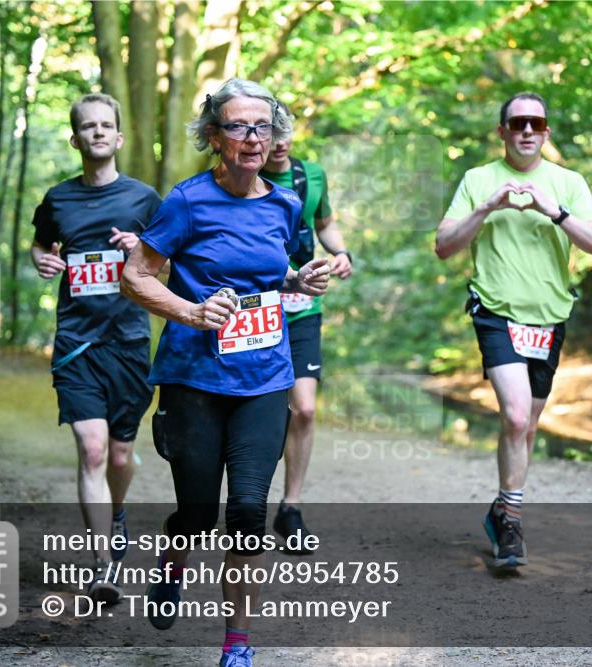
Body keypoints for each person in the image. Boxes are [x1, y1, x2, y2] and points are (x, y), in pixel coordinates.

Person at [121, 78, 329, 667]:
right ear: (215, 137)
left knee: (245, 512)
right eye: (238, 126)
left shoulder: (286, 203)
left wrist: (298, 281)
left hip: (264, 377)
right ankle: (173, 562)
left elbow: (275, 273)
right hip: (193, 380)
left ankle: (237, 642)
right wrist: (191, 310)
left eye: (262, 126)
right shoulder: (186, 201)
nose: (252, 137)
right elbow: (135, 275)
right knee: (196, 514)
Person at [435, 92, 592, 569]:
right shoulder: (478, 180)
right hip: (495, 310)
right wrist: (485, 208)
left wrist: (554, 211)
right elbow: (444, 247)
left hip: (549, 317)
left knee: (527, 426)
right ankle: (511, 521)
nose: (526, 131)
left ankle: (500, 510)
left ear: (546, 131)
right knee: (514, 417)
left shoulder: (568, 183)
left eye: (535, 123)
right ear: (503, 132)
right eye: (517, 124)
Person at [30, 93, 161, 602]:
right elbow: (41, 243)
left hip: (128, 342)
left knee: (121, 456)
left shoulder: (145, 200)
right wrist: (43, 260)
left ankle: (118, 510)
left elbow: (171, 268)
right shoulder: (58, 199)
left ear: (120, 137)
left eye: (107, 125)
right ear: (76, 138)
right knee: (92, 448)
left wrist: (142, 252)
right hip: (76, 344)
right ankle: (103, 564)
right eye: (89, 127)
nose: (98, 133)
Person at [261, 102, 353, 552]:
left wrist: (341, 252)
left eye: (284, 132)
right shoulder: (242, 177)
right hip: (255, 310)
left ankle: (290, 507)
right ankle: (246, 502)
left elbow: (325, 222)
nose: (278, 142)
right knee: (259, 411)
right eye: (269, 132)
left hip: (302, 308)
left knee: (306, 409)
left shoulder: (311, 174)